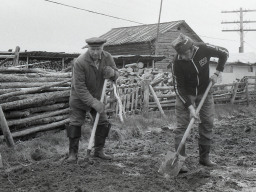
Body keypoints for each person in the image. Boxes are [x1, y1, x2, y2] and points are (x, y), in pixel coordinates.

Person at [171, 33, 229, 173]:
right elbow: (179, 88)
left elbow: (224, 53)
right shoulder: (176, 63)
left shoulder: (204, 48)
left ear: (191, 49)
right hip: (186, 95)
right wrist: (190, 107)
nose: (182, 57)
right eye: (180, 55)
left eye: (184, 54)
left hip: (205, 92)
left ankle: (204, 158)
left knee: (207, 122)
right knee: (182, 127)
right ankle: (179, 162)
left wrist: (217, 72)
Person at [67, 37, 119, 162]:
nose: (95, 52)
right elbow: (80, 87)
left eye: (98, 49)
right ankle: (73, 153)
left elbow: (116, 74)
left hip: (98, 96)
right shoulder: (80, 62)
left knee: (103, 123)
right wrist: (93, 102)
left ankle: (98, 151)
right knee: (75, 123)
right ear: (88, 48)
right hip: (79, 98)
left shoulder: (107, 58)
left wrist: (113, 74)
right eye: (92, 49)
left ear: (103, 48)